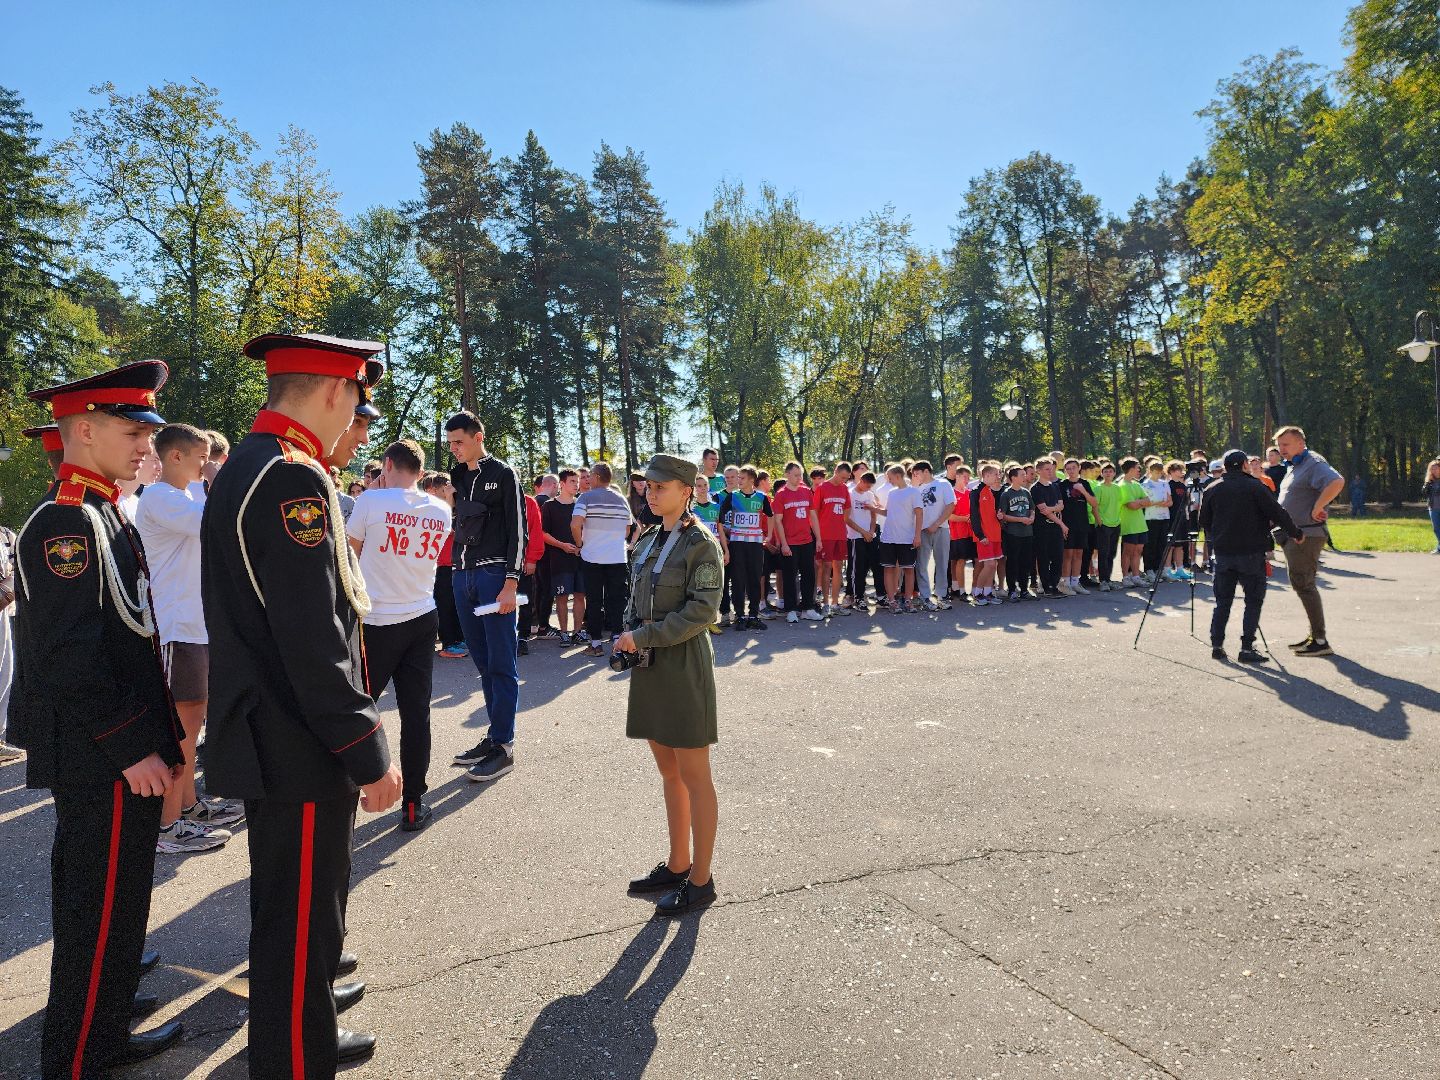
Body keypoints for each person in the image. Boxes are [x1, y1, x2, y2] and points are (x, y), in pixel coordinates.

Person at [203, 334, 401, 1075]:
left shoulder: (253, 466)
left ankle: (304, 1035)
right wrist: (364, 747)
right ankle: (293, 1059)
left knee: (298, 913)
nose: (354, 410)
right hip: (297, 740)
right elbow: (311, 634)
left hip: (275, 731)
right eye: (355, 396)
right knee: (295, 919)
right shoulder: (289, 478)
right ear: (331, 392)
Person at [13, 361, 186, 1077]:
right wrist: (129, 747)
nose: (145, 444)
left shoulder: (103, 511)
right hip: (100, 753)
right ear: (82, 430)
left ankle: (105, 1028)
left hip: (122, 745)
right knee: (98, 907)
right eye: (132, 429)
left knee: (120, 903)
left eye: (148, 430)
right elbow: (71, 654)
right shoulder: (64, 523)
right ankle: (81, 1054)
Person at [615, 454, 725, 916]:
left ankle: (701, 880)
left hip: (682, 663)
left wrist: (641, 636)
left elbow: (703, 611)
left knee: (695, 775)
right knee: (669, 770)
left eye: (660, 487)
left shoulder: (702, 543)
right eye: (647, 487)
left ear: (686, 490)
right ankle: (679, 864)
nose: (649, 493)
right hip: (650, 663)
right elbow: (636, 593)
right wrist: (627, 634)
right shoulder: (650, 538)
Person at [135, 423, 243, 855]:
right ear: (175, 457)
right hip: (176, 627)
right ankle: (167, 825)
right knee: (180, 727)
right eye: (201, 457)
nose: (208, 464)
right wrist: (222, 481)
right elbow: (218, 525)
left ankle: (188, 806)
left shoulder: (181, 496)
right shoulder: (161, 497)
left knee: (192, 724)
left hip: (193, 626)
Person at [347, 439, 450, 829]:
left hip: (376, 621)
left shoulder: (370, 503)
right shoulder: (440, 508)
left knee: (359, 709)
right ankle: (413, 801)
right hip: (422, 615)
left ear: (387, 464)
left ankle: (348, 790)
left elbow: (349, 558)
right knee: (415, 712)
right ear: (421, 474)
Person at [445, 409, 528, 779]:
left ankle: (504, 746)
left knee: (501, 662)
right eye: (450, 444)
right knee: (481, 662)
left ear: (479, 437)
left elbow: (518, 530)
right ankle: (494, 736)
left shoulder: (504, 473)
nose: (454, 450)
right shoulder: (457, 477)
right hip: (461, 574)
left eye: (459, 442)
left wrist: (511, 581)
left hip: (495, 574)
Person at [1199, 449, 1304, 663]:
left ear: (1225, 467)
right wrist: (1296, 533)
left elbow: (1204, 521)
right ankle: (1246, 648)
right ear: (1245, 465)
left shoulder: (1212, 488)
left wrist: (1218, 534)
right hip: (1251, 552)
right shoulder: (1256, 487)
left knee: (1223, 601)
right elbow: (1278, 513)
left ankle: (1217, 645)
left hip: (1223, 553)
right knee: (1253, 601)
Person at [1274, 425, 1345, 657]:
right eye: (1279, 445)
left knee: (1304, 584)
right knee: (1302, 584)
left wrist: (1317, 506)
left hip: (1306, 534)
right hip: (1296, 534)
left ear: (1300, 443)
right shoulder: (1297, 465)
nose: (1281, 449)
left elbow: (1336, 482)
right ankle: (1315, 635)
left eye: (1285, 444)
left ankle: (1321, 640)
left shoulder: (1313, 462)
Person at [570, 462, 632, 657]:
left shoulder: (585, 497)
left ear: (596, 477)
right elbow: (628, 528)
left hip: (592, 556)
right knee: (617, 599)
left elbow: (575, 524)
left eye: (589, 476)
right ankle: (616, 639)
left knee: (595, 600)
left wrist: (580, 544)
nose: (587, 479)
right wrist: (613, 540)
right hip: (617, 556)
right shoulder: (621, 499)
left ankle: (596, 644)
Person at [718, 465, 775, 631]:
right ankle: (740, 616)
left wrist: (769, 535)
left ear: (751, 480)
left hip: (756, 545)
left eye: (742, 478)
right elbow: (720, 517)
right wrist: (725, 533)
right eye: (738, 478)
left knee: (755, 580)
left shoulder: (762, 497)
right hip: (737, 544)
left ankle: (753, 616)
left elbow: (771, 516)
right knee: (738, 580)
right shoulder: (733, 496)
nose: (738, 481)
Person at [772, 462, 824, 622]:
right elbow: (778, 521)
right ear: (787, 475)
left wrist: (819, 539)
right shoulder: (781, 495)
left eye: (800, 474)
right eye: (795, 475)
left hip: (806, 541)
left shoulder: (806, 492)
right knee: (789, 577)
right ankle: (791, 610)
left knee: (809, 575)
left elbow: (813, 516)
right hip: (790, 543)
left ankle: (807, 608)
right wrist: (784, 543)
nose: (799, 478)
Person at [541, 469, 587, 645]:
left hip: (581, 558)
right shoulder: (549, 506)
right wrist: (562, 545)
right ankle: (564, 633)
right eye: (572, 482)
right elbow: (543, 533)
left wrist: (581, 546)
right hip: (559, 560)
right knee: (561, 597)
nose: (576, 484)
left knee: (580, 595)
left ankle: (577, 631)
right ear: (562, 484)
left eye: (577, 481)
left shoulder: (581, 505)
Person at [877, 464, 923, 612]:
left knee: (909, 570)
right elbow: (887, 512)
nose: (888, 480)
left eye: (890, 477)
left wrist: (917, 535)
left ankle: (908, 601)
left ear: (897, 476)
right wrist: (872, 508)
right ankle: (892, 601)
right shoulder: (891, 493)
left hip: (907, 538)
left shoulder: (913, 492)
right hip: (888, 538)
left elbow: (919, 514)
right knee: (888, 569)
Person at [815, 463, 859, 616]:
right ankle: (825, 603)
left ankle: (835, 603)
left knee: (838, 568)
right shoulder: (822, 488)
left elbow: (846, 512)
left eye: (847, 479)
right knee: (826, 568)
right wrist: (818, 536)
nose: (844, 481)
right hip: (825, 535)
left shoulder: (844, 489)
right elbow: (814, 513)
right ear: (835, 472)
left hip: (840, 535)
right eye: (842, 477)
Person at [913, 461, 956, 611]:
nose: (915, 477)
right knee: (921, 564)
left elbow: (951, 505)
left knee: (942, 563)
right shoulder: (917, 489)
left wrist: (937, 523)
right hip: (922, 531)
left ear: (926, 471)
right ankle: (925, 597)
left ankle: (942, 596)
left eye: (917, 473)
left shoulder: (943, 484)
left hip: (941, 529)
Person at [691, 473, 729, 634]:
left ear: (708, 486)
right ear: (694, 488)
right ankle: (698, 621)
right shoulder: (691, 509)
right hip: (697, 552)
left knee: (714, 586)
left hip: (714, 552)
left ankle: (712, 620)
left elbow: (720, 530)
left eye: (704, 485)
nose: (702, 488)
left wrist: (726, 550)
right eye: (698, 486)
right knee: (698, 586)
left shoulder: (716, 507)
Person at [997, 465, 1036, 601]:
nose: (1025, 477)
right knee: (1013, 562)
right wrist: (1020, 519)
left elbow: (1032, 508)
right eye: (1022, 475)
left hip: (1027, 533)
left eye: (1025, 475)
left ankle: (1024, 590)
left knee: (1026, 562)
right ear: (1013, 478)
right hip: (1013, 534)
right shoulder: (1006, 494)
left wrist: (1031, 517)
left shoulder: (1026, 492)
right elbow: (1003, 515)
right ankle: (1012, 590)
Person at [1030, 458, 1067, 596]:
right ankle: (1046, 587)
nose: (1050, 471)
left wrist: (1052, 509)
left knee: (1058, 557)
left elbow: (1061, 506)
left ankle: (1054, 585)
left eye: (1051, 468)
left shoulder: (1055, 486)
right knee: (1044, 558)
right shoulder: (1035, 489)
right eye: (1046, 469)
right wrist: (1062, 524)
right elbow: (1043, 510)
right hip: (1042, 529)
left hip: (1055, 529)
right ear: (1038, 471)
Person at [969, 463, 1004, 605]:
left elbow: (990, 513)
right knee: (989, 565)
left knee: (993, 564)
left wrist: (999, 516)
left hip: (995, 534)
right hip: (984, 536)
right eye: (996, 474)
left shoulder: (990, 491)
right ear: (987, 475)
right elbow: (974, 516)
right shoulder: (976, 491)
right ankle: (977, 594)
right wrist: (980, 535)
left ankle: (988, 593)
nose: (999, 476)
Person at [1117, 458, 1149, 588]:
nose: (1139, 470)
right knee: (1128, 551)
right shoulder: (1122, 485)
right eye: (1137, 468)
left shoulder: (1137, 484)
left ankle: (1135, 576)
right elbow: (1131, 506)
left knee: (1138, 551)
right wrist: (1140, 502)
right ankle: (1125, 577)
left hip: (1141, 524)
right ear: (1131, 469)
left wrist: (1139, 502)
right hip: (1129, 524)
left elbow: (1148, 501)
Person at [1140, 459, 1173, 584]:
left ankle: (1160, 569)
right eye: (1155, 472)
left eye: (1160, 472)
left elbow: (1170, 501)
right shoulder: (1145, 484)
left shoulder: (1165, 484)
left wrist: (1166, 503)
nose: (1158, 474)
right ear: (1150, 471)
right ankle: (1149, 570)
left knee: (1161, 544)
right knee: (1150, 545)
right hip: (1150, 518)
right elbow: (1144, 502)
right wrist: (1156, 503)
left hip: (1164, 517)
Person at [1424, 459, 1440, 554]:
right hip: (1433, 508)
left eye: (1436, 468)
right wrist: (1425, 488)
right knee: (1436, 529)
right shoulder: (1430, 481)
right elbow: (1425, 494)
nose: (1434, 470)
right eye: (1432, 468)